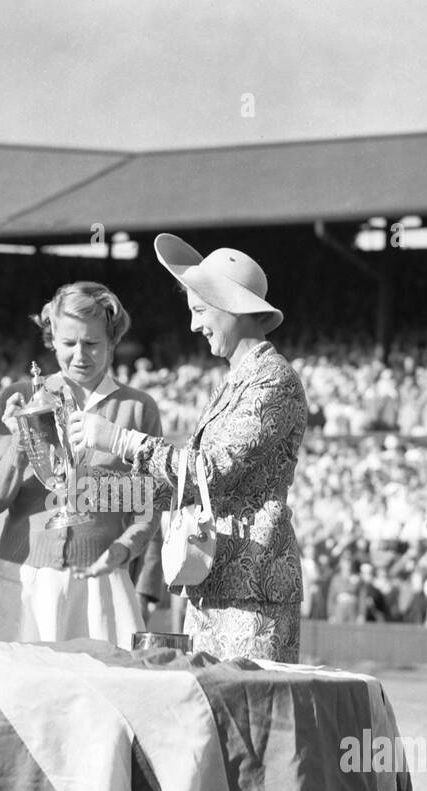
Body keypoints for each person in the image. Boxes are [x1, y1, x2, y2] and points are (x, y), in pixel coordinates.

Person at [68, 234, 307, 662]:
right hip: (210, 585)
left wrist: (121, 440)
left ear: (232, 307)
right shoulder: (233, 384)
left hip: (252, 592)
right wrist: (90, 490)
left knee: (247, 719)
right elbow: (185, 490)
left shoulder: (274, 380)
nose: (194, 326)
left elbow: (209, 473)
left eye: (200, 311)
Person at [0, 281, 162, 647]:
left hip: (101, 582)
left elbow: (146, 507)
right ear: (51, 338)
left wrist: (122, 549)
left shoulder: (138, 408)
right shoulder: (20, 397)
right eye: (68, 344)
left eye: (92, 344)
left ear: (112, 342)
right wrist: (20, 446)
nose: (80, 355)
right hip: (22, 577)